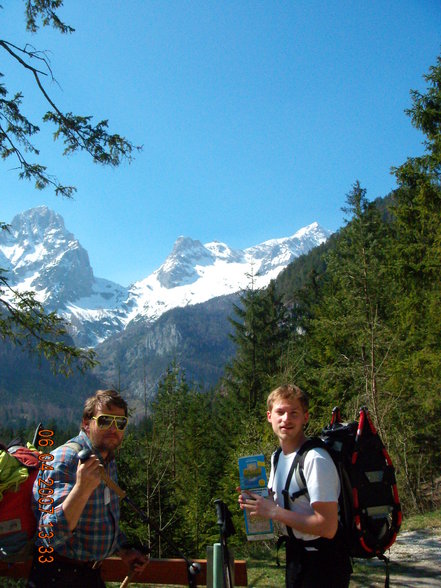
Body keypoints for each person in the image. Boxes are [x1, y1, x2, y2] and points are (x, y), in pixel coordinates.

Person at [28, 389, 148, 588]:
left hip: (89, 575)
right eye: (104, 421)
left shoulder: (107, 460)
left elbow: (101, 517)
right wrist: (82, 489)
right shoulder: (66, 459)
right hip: (56, 577)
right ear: (86, 423)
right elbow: (50, 535)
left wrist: (123, 550)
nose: (113, 428)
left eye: (120, 423)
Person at [238, 384, 352, 588]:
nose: (286, 419)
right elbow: (284, 504)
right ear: (269, 416)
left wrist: (273, 512)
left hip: (324, 564)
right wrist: (258, 504)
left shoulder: (315, 459)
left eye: (294, 413)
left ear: (305, 417)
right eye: (280, 412)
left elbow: (327, 527)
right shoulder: (277, 457)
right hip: (296, 558)